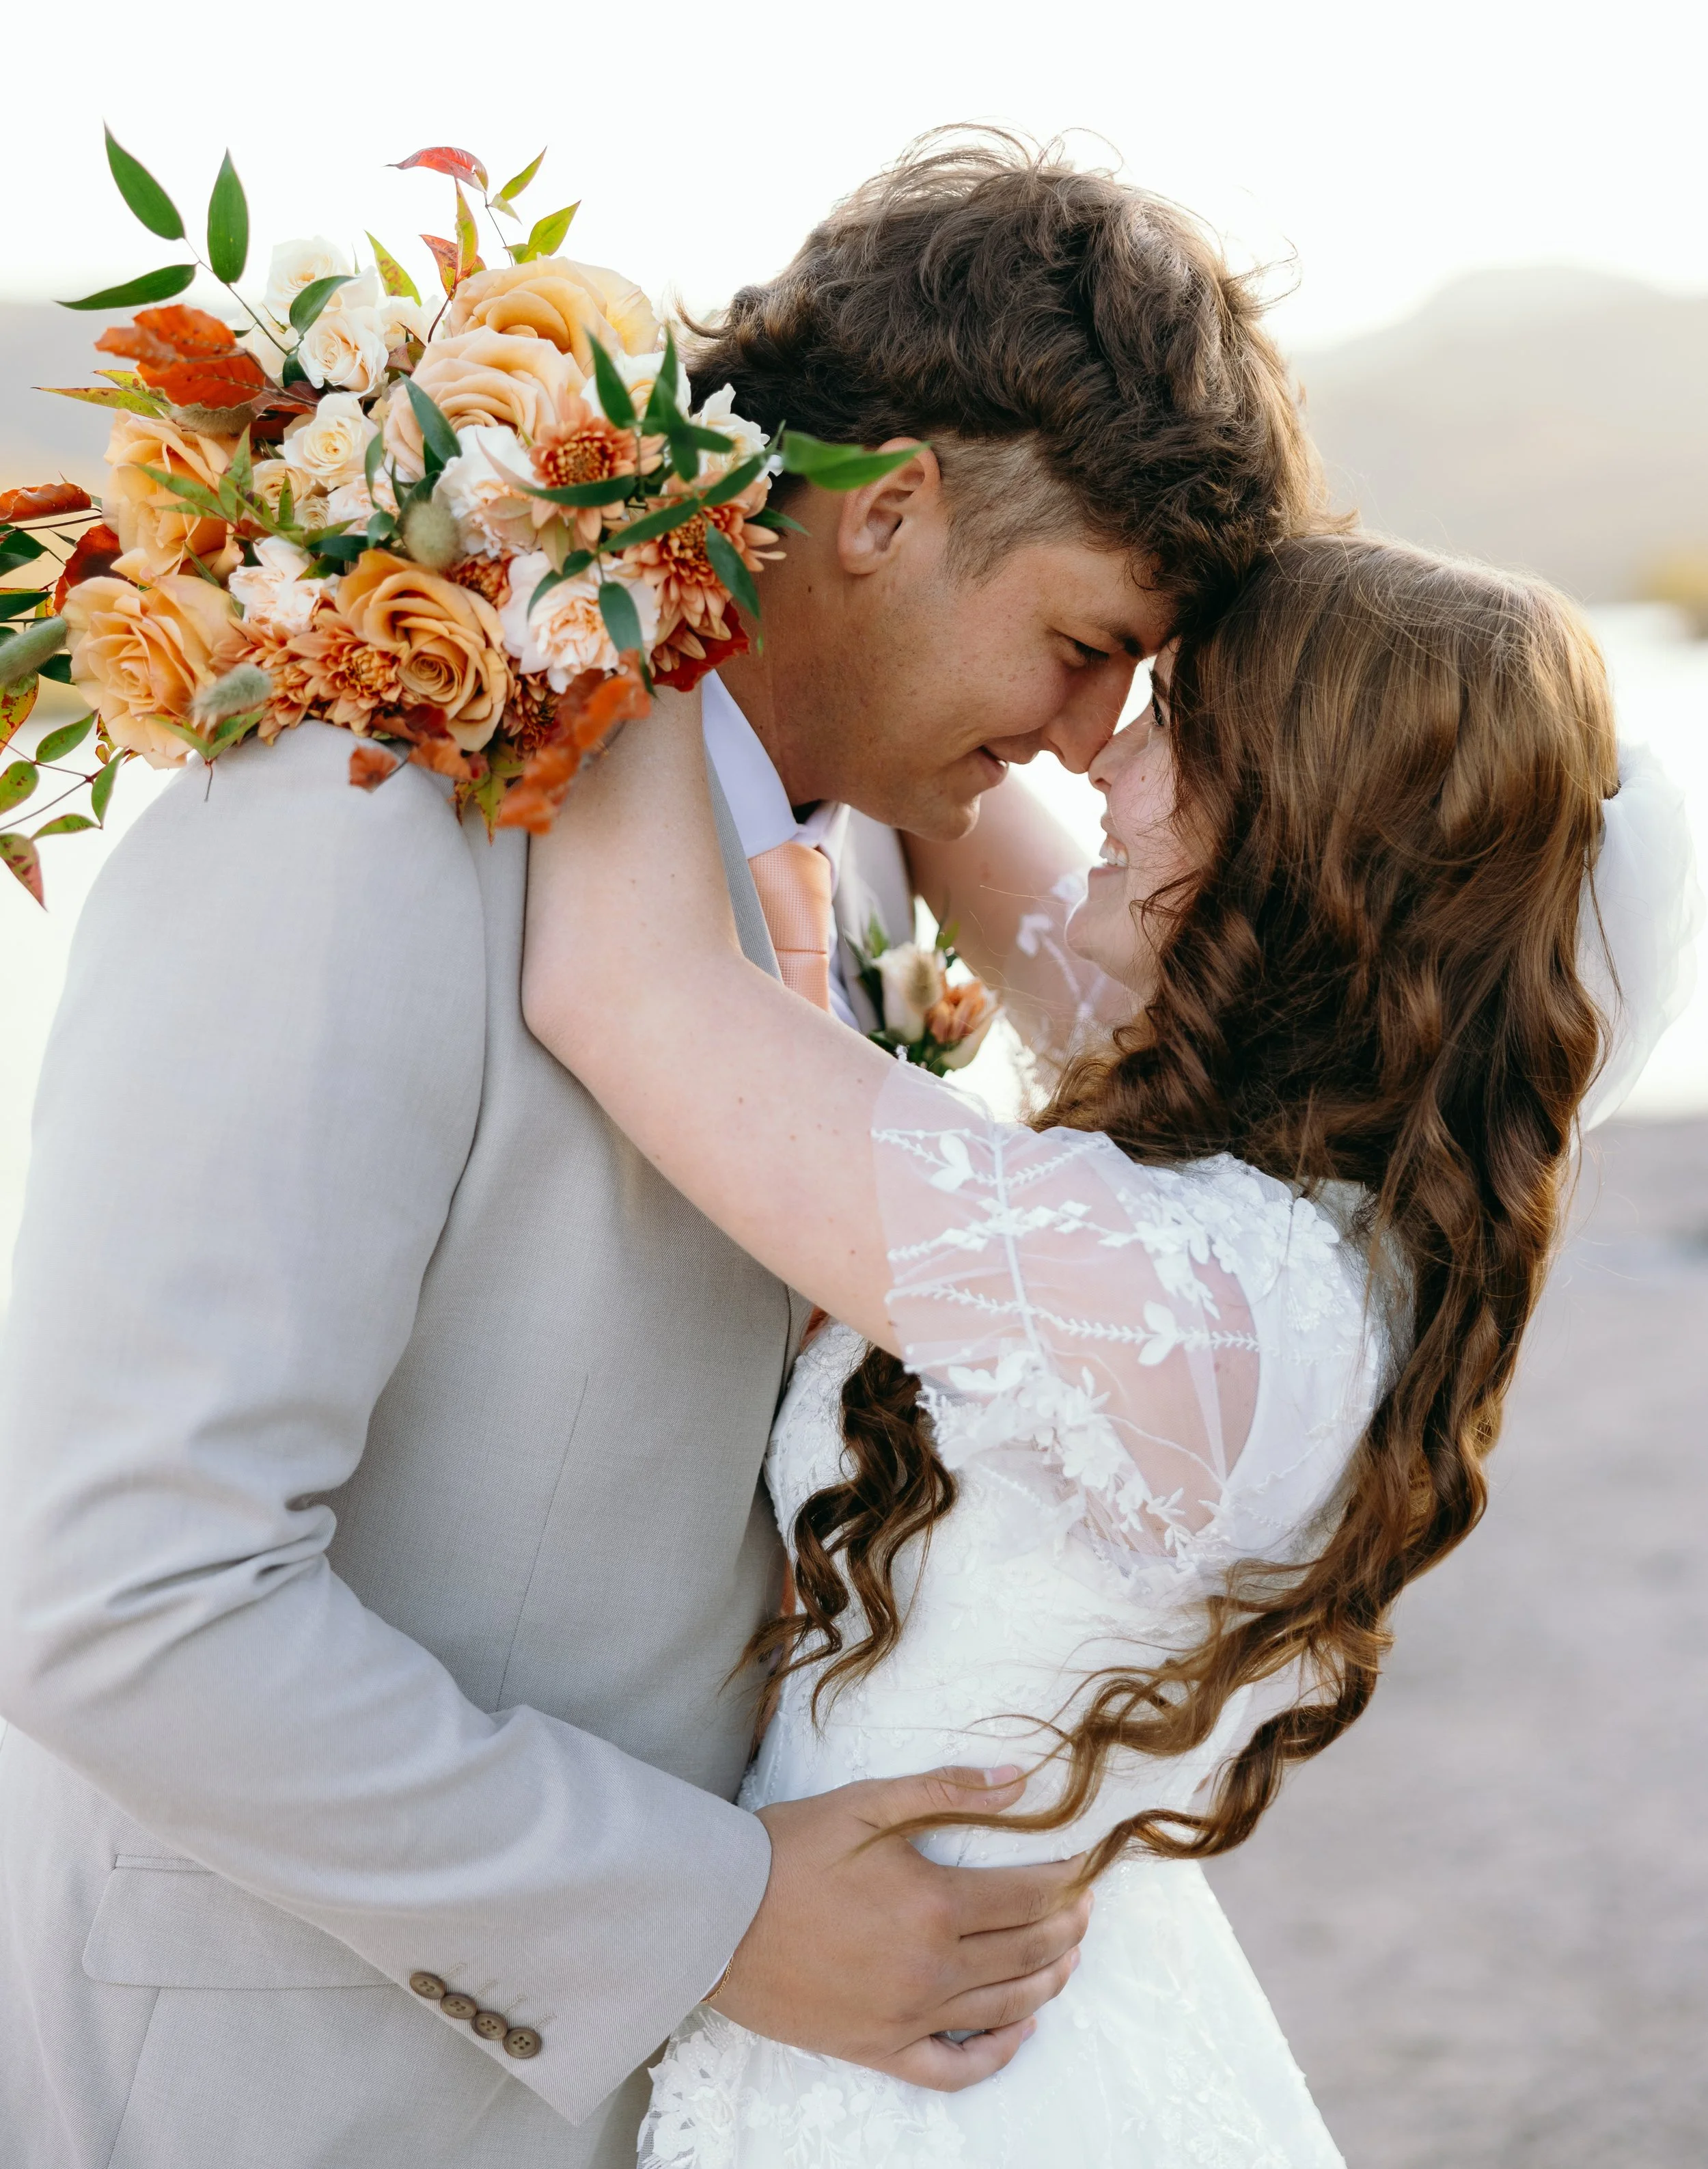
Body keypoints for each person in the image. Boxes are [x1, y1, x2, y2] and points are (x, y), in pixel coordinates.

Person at [0, 137, 1320, 2169]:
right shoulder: (361, 811)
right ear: (885, 513)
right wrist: (707, 1914)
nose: (1086, 734)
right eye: (1086, 642)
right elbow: (114, 1590)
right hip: (300, 2091)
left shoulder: (878, 834)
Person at [521, 532, 1696, 2166]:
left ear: (1284, 861)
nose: (1098, 748)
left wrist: (593, 533)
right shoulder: (1298, 1202)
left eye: (1174, 729)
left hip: (939, 2098)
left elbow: (620, 982)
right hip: (990, 2039)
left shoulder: (1181, 1303)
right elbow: (948, 819)